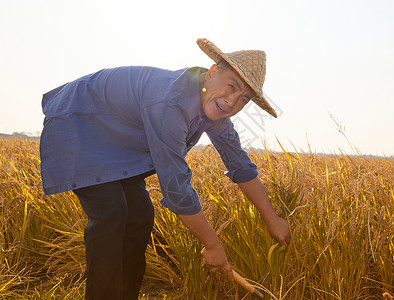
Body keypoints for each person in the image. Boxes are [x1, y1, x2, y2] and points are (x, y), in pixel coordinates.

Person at [39, 38, 291, 300]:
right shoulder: (169, 103)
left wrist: (272, 218)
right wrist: (212, 245)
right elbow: (177, 189)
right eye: (231, 87)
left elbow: (238, 163)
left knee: (140, 215)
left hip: (119, 147)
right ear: (212, 72)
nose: (231, 102)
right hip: (79, 123)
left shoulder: (214, 109)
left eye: (243, 99)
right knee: (112, 211)